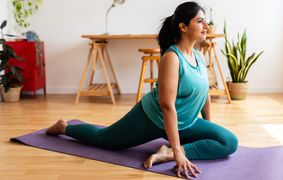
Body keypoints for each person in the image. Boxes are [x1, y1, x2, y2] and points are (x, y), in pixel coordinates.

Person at [46, 1, 238, 179]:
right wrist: (179, 152)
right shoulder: (172, 58)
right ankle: (65, 127)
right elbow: (167, 106)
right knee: (104, 140)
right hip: (152, 119)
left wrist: (208, 129)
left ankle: (167, 152)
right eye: (200, 21)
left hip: (185, 123)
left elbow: (204, 95)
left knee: (230, 142)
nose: (206, 26)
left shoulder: (199, 56)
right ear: (183, 26)